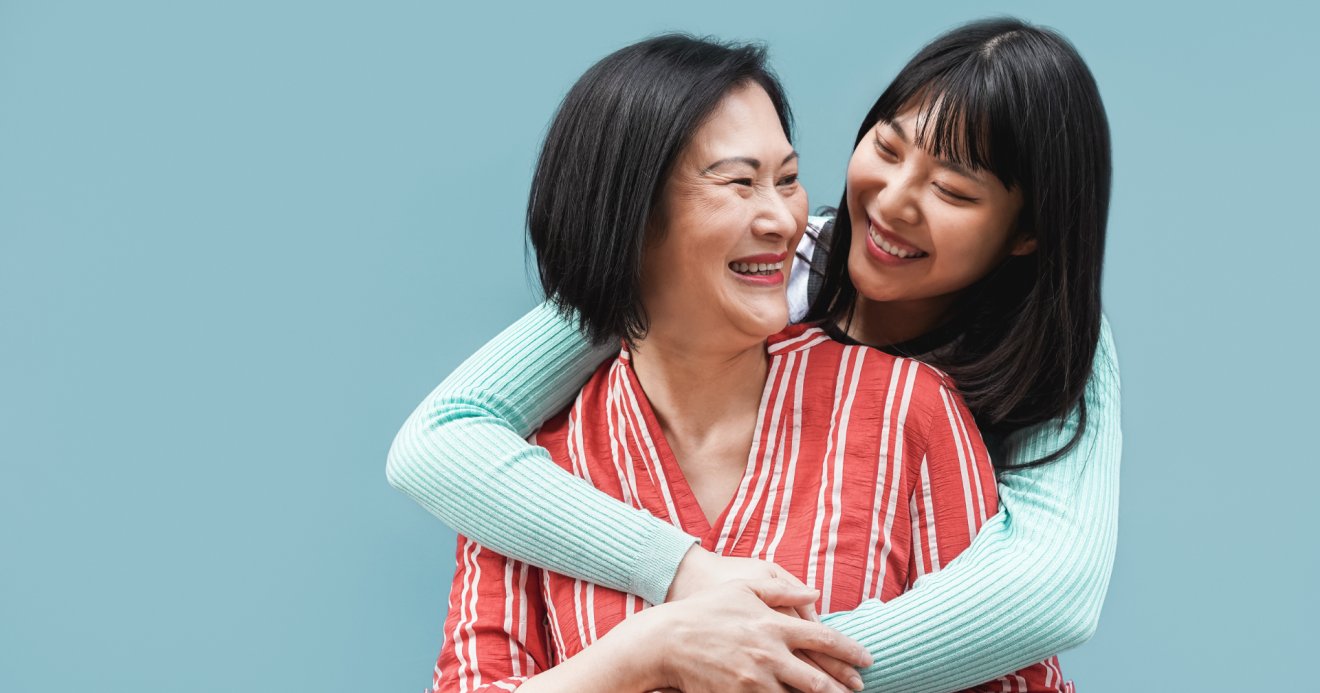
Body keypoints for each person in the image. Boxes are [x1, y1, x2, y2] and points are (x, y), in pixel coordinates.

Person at [391, 18, 1119, 692]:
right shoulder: (535, 477)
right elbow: (445, 435)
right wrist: (662, 631)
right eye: (887, 150)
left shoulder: (938, 397)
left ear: (1029, 235)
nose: (892, 203)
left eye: (955, 191)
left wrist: (770, 657)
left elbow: (1050, 594)